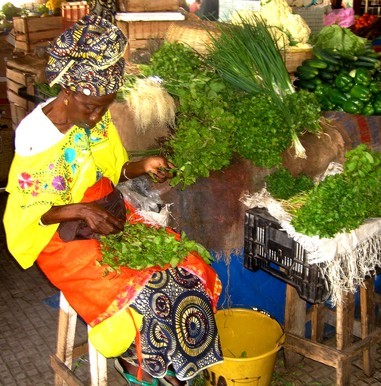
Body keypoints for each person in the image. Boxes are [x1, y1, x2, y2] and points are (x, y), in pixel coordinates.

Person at [3, 15, 223, 386]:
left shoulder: (96, 118)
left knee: (187, 268)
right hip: (58, 235)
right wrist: (78, 209)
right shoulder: (35, 137)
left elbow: (113, 170)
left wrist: (143, 165)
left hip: (107, 212)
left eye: (103, 107)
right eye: (90, 107)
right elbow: (27, 214)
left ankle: (184, 372)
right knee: (145, 291)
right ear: (68, 91)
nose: (96, 116)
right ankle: (143, 369)